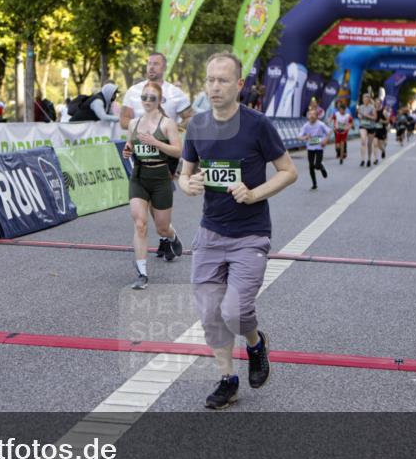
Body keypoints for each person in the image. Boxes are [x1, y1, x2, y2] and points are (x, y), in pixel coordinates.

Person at [178, 52, 297, 409]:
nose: (215, 87)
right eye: (210, 80)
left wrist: (254, 193)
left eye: (223, 80)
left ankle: (256, 343)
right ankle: (228, 379)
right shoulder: (197, 125)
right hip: (210, 234)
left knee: (234, 311)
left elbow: (289, 171)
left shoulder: (257, 125)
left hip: (250, 234)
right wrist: (188, 184)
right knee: (210, 315)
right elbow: (184, 174)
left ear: (240, 85)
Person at [121, 81, 183, 289]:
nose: (147, 101)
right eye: (144, 97)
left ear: (160, 100)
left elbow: (178, 151)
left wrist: (155, 142)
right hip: (139, 176)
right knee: (140, 223)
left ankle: (171, 236)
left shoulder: (167, 124)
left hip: (160, 177)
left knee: (162, 227)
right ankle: (142, 273)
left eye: (152, 98)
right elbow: (130, 145)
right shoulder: (133, 123)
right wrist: (128, 150)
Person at [119, 52, 192, 130]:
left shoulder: (175, 92)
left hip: (167, 138)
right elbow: (123, 120)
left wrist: (175, 128)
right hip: (139, 137)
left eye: (156, 64)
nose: (151, 67)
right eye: (149, 64)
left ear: (164, 68)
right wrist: (141, 126)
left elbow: (191, 117)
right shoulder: (133, 90)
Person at [299, 104, 329, 190]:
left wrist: (325, 140)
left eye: (313, 114)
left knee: (317, 165)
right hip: (310, 148)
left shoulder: (321, 124)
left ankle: (321, 167)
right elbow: (299, 136)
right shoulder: (306, 126)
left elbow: (329, 132)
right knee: (311, 166)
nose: (311, 116)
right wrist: (305, 137)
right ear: (308, 116)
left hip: (319, 147)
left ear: (317, 116)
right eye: (310, 114)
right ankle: (314, 184)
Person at [357, 93, 379, 167]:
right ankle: (363, 159)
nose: (365, 100)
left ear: (369, 100)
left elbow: (375, 118)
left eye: (366, 99)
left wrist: (368, 116)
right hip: (363, 125)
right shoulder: (360, 107)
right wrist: (360, 116)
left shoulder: (372, 107)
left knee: (369, 144)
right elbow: (358, 115)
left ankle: (369, 159)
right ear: (362, 99)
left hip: (371, 127)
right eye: (364, 99)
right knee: (363, 140)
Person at [329, 98, 352, 164]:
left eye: (342, 110)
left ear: (345, 110)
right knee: (338, 146)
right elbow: (331, 118)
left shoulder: (347, 115)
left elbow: (351, 122)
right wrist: (329, 121)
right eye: (340, 110)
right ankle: (338, 151)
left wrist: (349, 127)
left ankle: (341, 157)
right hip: (337, 131)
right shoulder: (336, 114)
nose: (341, 111)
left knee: (342, 144)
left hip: (344, 131)